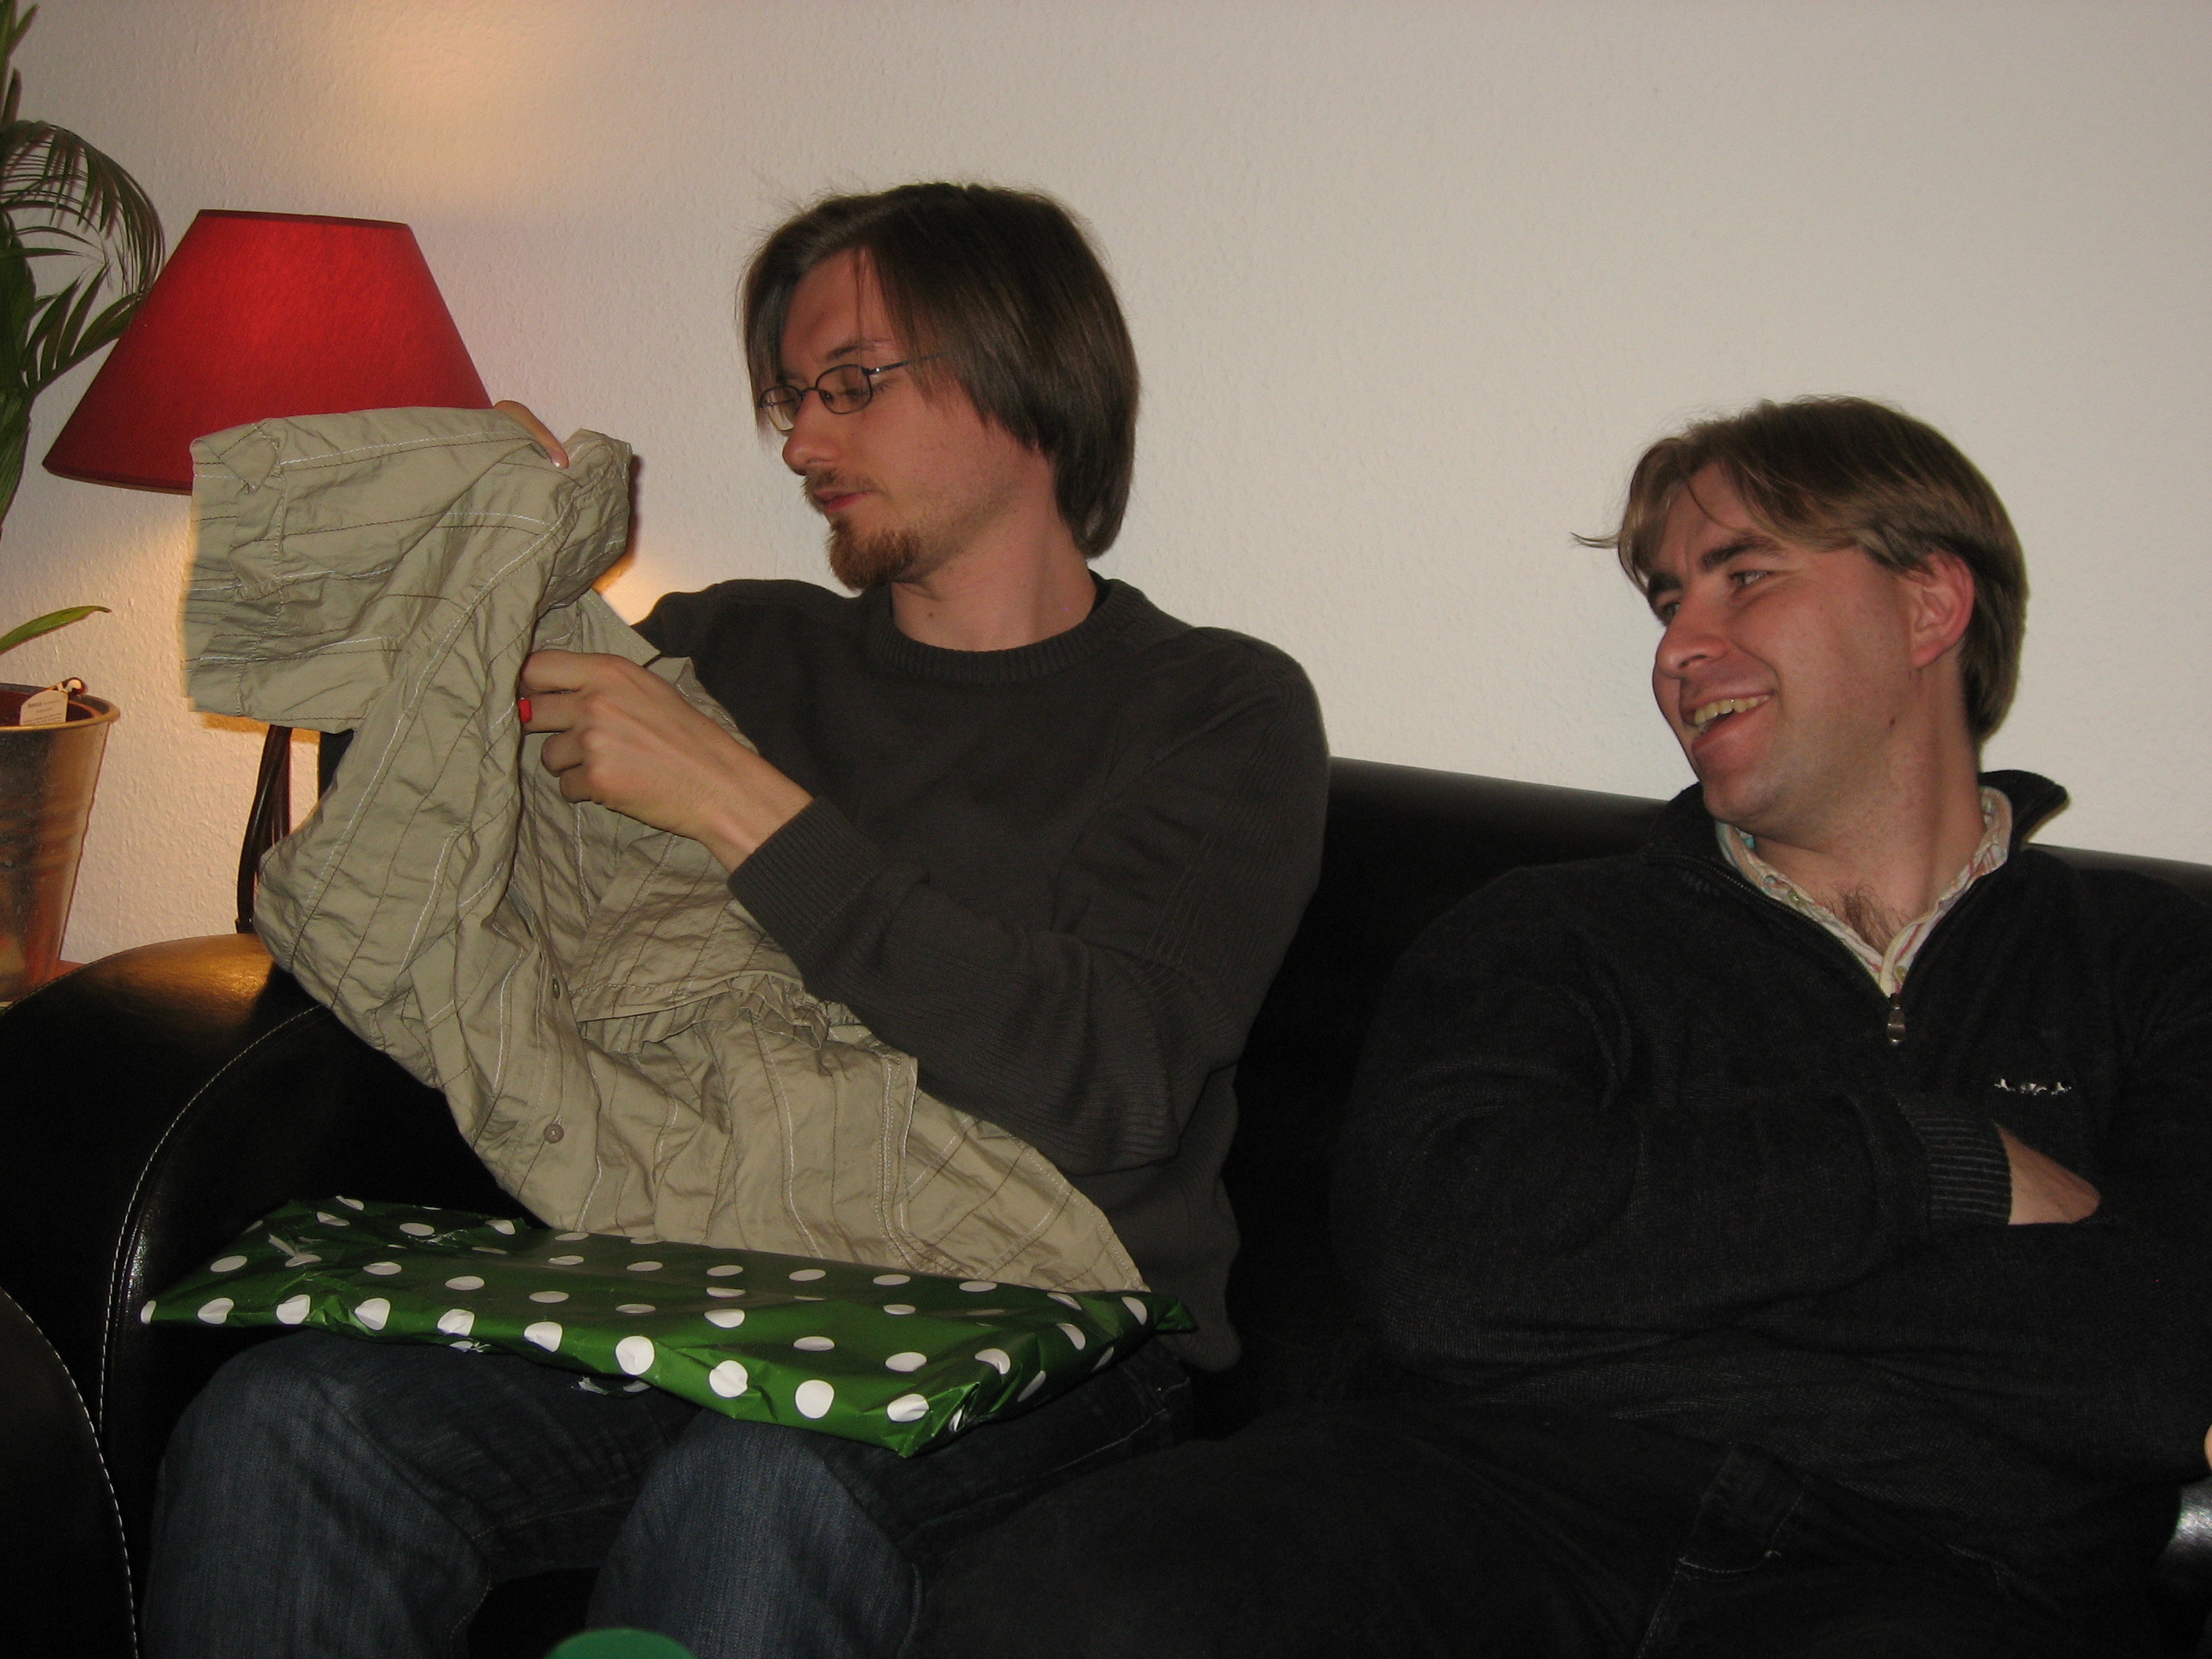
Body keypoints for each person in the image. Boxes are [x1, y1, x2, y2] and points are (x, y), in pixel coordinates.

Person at [145, 183, 1328, 1659]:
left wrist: (734, 800)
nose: (804, 443)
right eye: (789, 398)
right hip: (701, 1282)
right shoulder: (725, 645)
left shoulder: (1212, 709)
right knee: (294, 1418)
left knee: (762, 1485)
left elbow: (1116, 1086)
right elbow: (460, 835)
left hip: (1054, 1326)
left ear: (1027, 369)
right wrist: (474, 554)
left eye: (853, 383)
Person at [921, 396, 2212, 1657]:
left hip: (1939, 1569)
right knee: (1078, 1593)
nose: (1679, 647)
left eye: (1745, 577)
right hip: (1494, 1499)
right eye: (1668, 601)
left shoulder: (2149, 964)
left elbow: (2159, 1364)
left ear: (1930, 604)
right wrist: (1936, 1168)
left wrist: (1637, 1270)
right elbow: (1444, 1260)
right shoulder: (1547, 934)